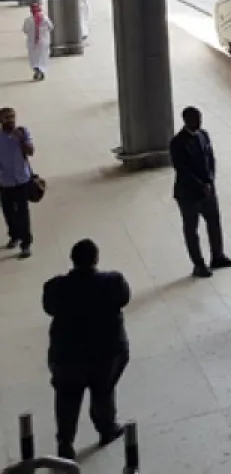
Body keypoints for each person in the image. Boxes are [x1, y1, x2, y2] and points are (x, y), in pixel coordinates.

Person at [42, 239, 129, 460]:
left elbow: (49, 308)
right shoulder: (113, 282)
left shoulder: (55, 287)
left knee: (66, 397)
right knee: (103, 391)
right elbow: (124, 299)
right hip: (106, 351)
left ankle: (65, 442)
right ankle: (106, 428)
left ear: (72, 260)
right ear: (96, 259)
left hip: (67, 354)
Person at [169, 107, 231, 278]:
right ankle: (198, 264)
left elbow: (211, 159)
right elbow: (182, 169)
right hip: (188, 194)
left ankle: (218, 256)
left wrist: (211, 181)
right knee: (191, 229)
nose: (199, 122)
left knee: (214, 222)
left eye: (200, 118)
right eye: (195, 119)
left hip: (208, 189)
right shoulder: (177, 142)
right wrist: (201, 185)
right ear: (186, 120)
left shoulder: (204, 135)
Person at [0, 108, 36, 259]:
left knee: (23, 213)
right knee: (8, 212)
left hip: (22, 180)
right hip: (5, 181)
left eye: (13, 117)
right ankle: (14, 236)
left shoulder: (22, 132)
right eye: (7, 118)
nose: (11, 120)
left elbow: (31, 151)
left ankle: (26, 244)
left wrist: (21, 139)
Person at [22, 2, 52, 81]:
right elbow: (51, 27)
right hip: (43, 42)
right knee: (42, 57)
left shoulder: (28, 20)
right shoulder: (45, 18)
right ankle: (41, 70)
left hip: (32, 43)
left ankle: (37, 70)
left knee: (34, 58)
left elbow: (25, 30)